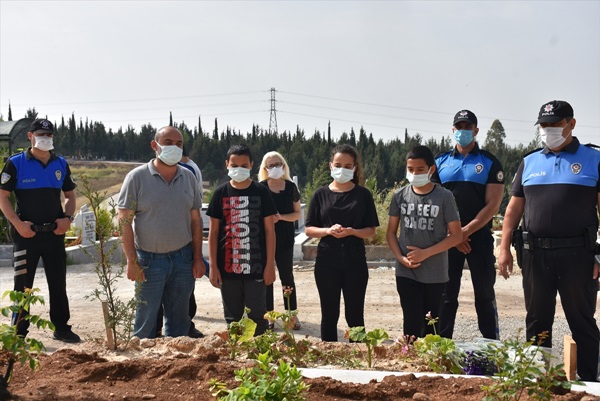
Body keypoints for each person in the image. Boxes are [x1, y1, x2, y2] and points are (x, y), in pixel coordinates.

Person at [498, 100, 600, 382]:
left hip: (578, 255)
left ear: (571, 124)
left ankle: (591, 383)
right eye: (544, 125)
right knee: (537, 321)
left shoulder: (594, 159)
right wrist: (503, 247)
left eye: (554, 124)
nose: (548, 130)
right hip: (535, 255)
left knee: (582, 322)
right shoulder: (529, 162)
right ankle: (538, 382)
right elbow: (513, 210)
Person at [118, 126, 204, 339]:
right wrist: (131, 261)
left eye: (179, 143)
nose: (173, 147)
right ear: (155, 145)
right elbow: (124, 221)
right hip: (149, 261)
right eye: (167, 142)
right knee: (145, 323)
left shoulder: (189, 177)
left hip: (183, 259)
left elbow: (195, 220)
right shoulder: (136, 178)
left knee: (180, 324)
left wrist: (197, 258)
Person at [0, 119, 80, 343]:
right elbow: (3, 197)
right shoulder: (15, 164)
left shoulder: (61, 164)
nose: (45, 138)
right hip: (27, 235)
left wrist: (68, 218)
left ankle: (62, 327)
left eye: (49, 135)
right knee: (22, 285)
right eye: (40, 134)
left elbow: (70, 196)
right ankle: (18, 332)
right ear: (30, 136)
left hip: (54, 235)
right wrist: (17, 224)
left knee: (58, 282)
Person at [433, 109, 504, 340]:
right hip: (447, 239)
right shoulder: (440, 162)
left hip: (479, 237)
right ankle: (442, 348)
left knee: (484, 294)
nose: (463, 131)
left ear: (476, 130)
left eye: (468, 127)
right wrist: (454, 235)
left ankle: (491, 348)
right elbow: (434, 202)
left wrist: (464, 232)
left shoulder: (490, 162)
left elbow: (492, 205)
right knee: (446, 295)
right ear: (453, 130)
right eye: (459, 127)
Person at [305, 144, 379, 342]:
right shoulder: (320, 194)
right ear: (331, 166)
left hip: (355, 261)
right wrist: (328, 230)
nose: (342, 169)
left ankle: (360, 356)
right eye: (338, 165)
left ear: (354, 168)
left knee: (355, 315)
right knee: (329, 314)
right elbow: (309, 228)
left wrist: (352, 232)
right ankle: (328, 356)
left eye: (348, 166)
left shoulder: (363, 195)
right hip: (326, 261)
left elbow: (371, 230)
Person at [386, 145, 462, 338]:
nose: (414, 173)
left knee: (432, 327)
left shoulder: (445, 197)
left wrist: (425, 253)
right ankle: (411, 363)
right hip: (406, 272)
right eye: (410, 170)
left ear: (431, 169)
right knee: (410, 325)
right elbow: (391, 233)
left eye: (420, 170)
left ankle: (430, 366)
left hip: (435, 274)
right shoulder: (400, 196)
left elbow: (456, 236)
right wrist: (400, 258)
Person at [206, 144, 277, 335]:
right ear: (227, 164)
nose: (239, 169)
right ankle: (236, 358)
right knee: (233, 320)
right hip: (228, 270)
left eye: (244, 165)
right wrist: (213, 266)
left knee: (257, 318)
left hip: (256, 268)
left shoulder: (261, 192)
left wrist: (270, 264)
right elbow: (213, 233)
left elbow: (270, 231)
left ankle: (260, 357)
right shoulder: (220, 193)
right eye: (234, 164)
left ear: (252, 165)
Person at [155, 145, 205, 338]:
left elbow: (195, 210)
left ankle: (185, 327)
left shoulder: (189, 172)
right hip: (158, 245)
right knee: (157, 293)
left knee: (184, 291)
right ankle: (155, 330)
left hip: (183, 240)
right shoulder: (153, 173)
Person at [258, 151, 302, 330]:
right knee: (267, 277)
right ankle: (269, 315)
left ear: (284, 166)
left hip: (284, 237)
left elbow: (297, 214)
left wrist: (281, 217)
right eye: (271, 165)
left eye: (278, 164)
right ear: (264, 168)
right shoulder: (260, 187)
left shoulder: (291, 187)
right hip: (264, 238)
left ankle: (292, 315)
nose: (275, 167)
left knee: (286, 276)